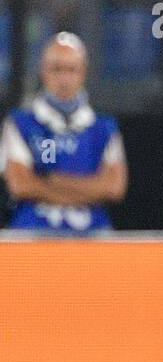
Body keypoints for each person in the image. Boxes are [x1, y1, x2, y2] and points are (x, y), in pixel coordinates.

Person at [2, 33, 127, 233]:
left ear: (83, 72)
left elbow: (113, 187)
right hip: (31, 236)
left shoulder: (103, 129)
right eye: (57, 69)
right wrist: (89, 189)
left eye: (72, 69)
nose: (64, 78)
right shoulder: (20, 124)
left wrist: (52, 180)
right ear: (43, 71)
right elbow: (20, 184)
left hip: (93, 236)